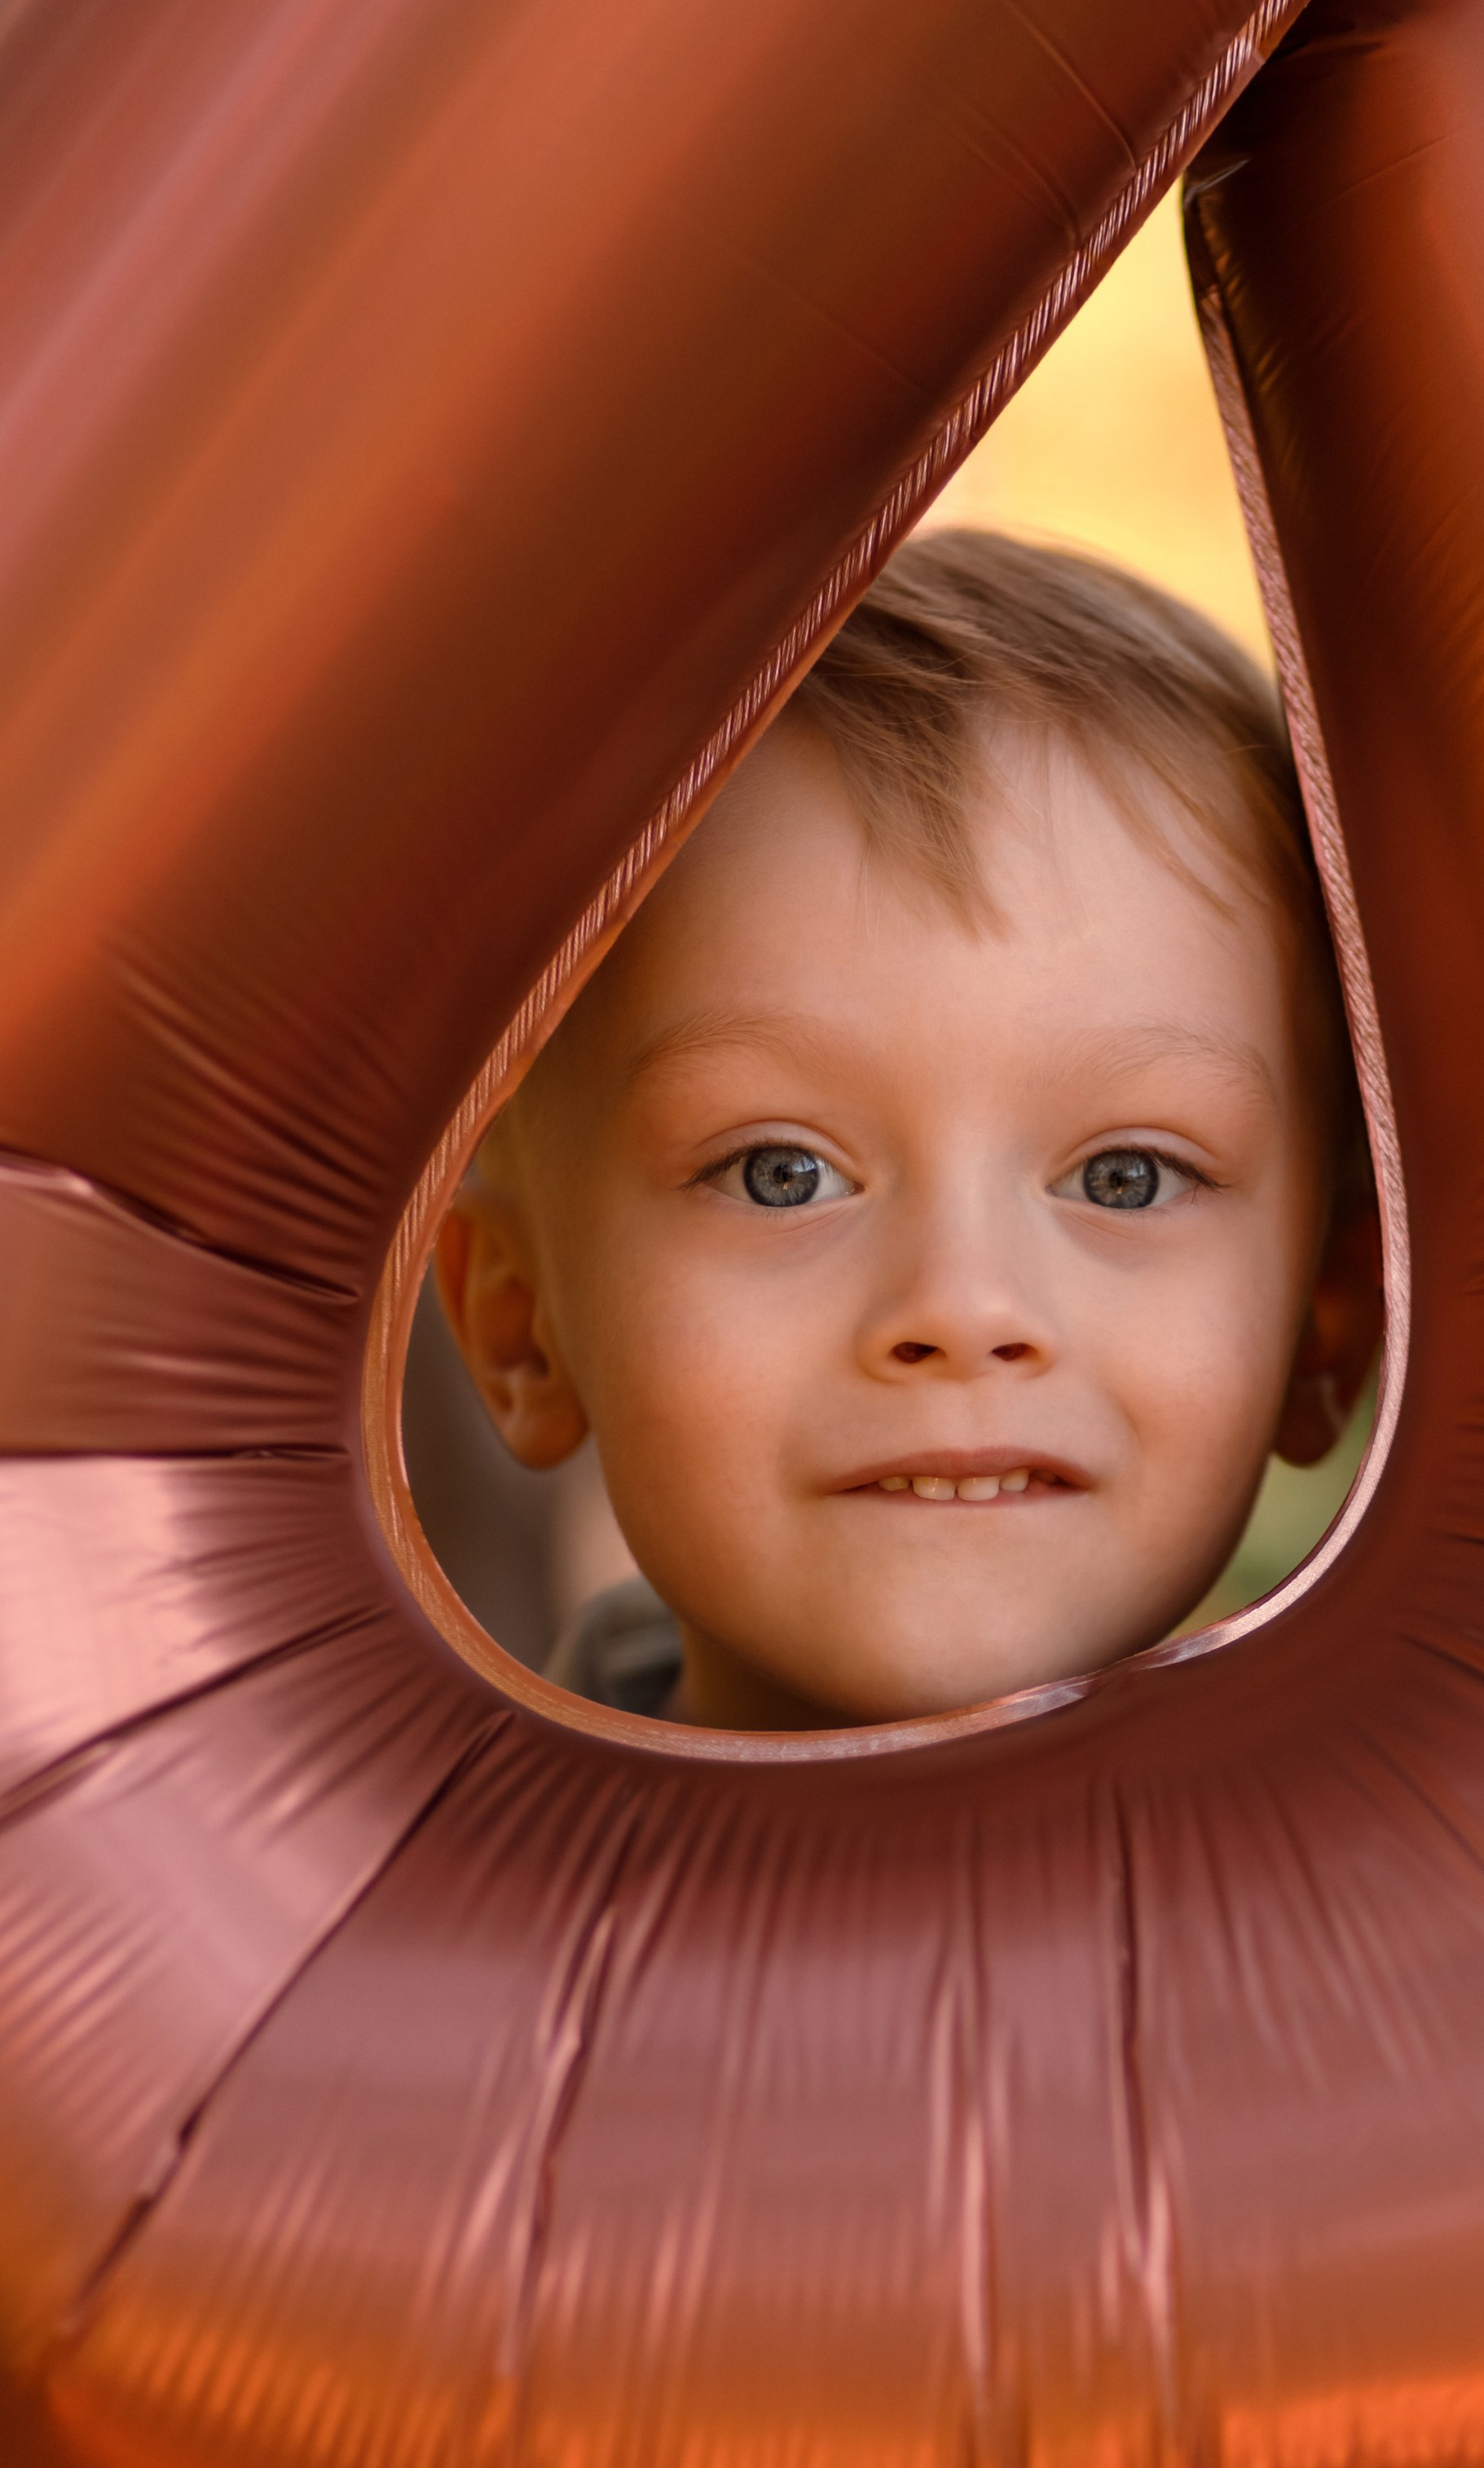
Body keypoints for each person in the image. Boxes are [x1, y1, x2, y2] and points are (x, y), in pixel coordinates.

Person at [435, 529, 1381, 1730]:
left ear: (1325, 1330)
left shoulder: (1482, 1890)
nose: (962, 1306)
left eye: (1127, 1178)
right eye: (782, 1175)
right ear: (522, 1325)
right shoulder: (372, 1899)